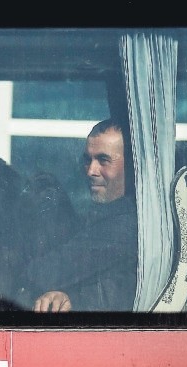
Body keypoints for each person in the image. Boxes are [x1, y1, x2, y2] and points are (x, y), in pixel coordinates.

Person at [26, 118, 138, 312]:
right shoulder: (108, 217)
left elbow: (43, 273)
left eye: (103, 160)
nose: (91, 171)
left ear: (132, 166)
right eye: (87, 160)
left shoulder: (126, 225)